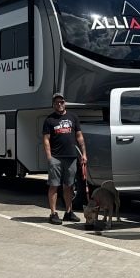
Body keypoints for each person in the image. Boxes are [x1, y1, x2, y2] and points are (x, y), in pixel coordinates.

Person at [42, 92, 87, 224]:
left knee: (69, 186)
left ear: (64, 102)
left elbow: (79, 136)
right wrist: (49, 157)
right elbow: (46, 140)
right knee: (54, 185)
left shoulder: (73, 117)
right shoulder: (49, 120)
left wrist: (83, 154)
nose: (59, 104)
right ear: (53, 104)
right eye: (56, 102)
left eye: (61, 102)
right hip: (56, 157)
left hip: (71, 157)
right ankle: (53, 213)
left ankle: (68, 212)